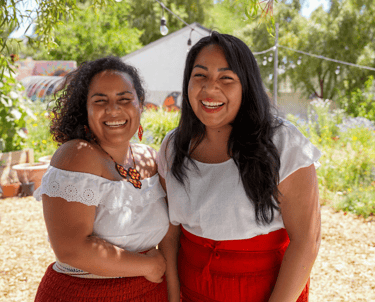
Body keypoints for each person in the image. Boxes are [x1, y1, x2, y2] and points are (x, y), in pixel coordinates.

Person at [157, 32, 322, 302]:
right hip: (193, 289)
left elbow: (307, 241)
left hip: (266, 292)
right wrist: (173, 296)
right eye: (200, 76)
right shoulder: (173, 147)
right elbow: (170, 235)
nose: (210, 89)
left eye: (226, 78)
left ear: (246, 85)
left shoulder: (283, 143)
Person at [33, 56, 170, 301]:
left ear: (140, 105)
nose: (113, 109)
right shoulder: (76, 156)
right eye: (100, 100)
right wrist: (149, 266)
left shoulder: (150, 158)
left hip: (150, 293)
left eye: (124, 99)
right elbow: (71, 250)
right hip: (84, 294)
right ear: (84, 110)